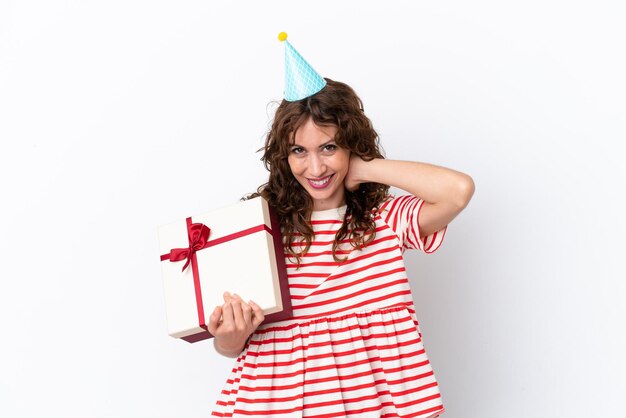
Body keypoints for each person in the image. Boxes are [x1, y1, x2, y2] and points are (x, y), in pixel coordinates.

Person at [208, 36, 474, 418]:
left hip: (375, 403)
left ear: (352, 144)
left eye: (329, 148)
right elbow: (235, 345)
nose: (315, 169)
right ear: (284, 156)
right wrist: (228, 339)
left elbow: (458, 191)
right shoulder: (263, 232)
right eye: (300, 151)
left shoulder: (386, 219)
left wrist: (364, 169)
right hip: (279, 404)